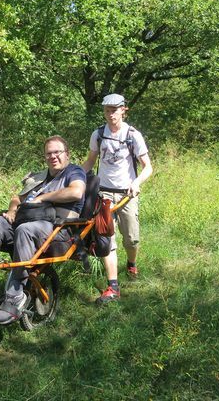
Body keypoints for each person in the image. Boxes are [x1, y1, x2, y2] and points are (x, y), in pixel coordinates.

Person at [0, 136, 86, 324]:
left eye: (57, 152)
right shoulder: (40, 176)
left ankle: (15, 295)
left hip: (58, 229)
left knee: (25, 230)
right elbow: (17, 198)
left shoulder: (74, 171)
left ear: (67, 154)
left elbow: (76, 192)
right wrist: (12, 210)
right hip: (27, 222)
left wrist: (43, 198)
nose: (53, 156)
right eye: (49, 153)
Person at [81, 94, 153, 305]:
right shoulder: (98, 134)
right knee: (106, 239)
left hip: (127, 194)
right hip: (103, 194)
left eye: (114, 109)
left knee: (132, 238)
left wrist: (137, 182)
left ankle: (131, 262)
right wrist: (74, 177)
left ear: (123, 110)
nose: (111, 114)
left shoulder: (133, 135)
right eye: (107, 110)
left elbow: (148, 167)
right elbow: (91, 161)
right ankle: (113, 286)